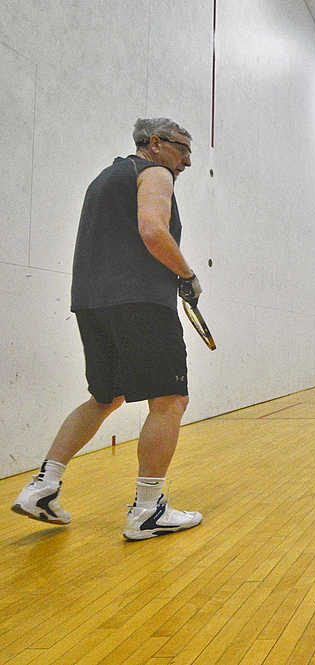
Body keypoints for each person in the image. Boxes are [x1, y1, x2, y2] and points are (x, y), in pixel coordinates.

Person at [11, 118, 205, 540]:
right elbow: (153, 230)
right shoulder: (153, 172)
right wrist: (187, 276)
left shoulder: (104, 179)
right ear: (154, 143)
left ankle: (42, 486)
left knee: (106, 396)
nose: (187, 161)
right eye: (182, 149)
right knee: (170, 400)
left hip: (91, 302)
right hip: (140, 302)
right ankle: (148, 511)